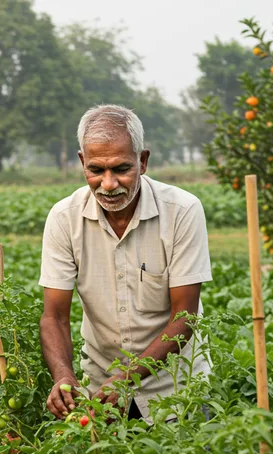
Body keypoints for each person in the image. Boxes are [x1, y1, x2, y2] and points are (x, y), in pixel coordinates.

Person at [39, 104, 212, 421]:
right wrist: (63, 375)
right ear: (82, 163)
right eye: (96, 170)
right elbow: (54, 316)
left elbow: (185, 317)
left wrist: (129, 376)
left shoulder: (182, 211)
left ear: (143, 161)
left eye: (121, 169)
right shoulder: (64, 218)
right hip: (102, 387)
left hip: (175, 388)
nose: (108, 184)